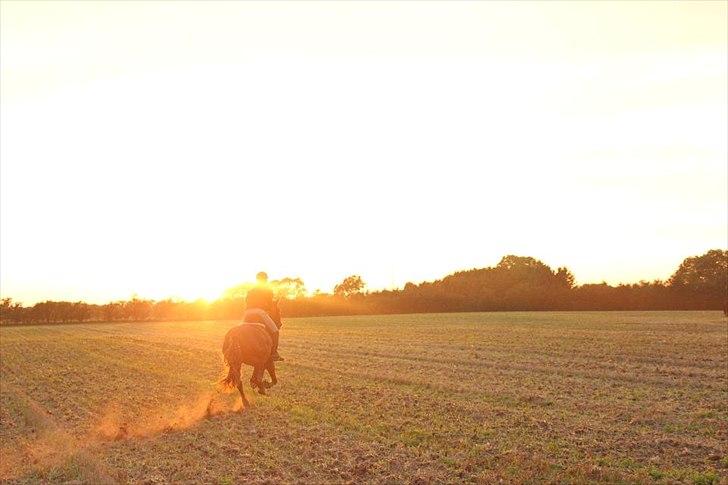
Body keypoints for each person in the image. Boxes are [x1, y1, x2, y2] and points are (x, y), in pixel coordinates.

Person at [243, 272, 284, 361]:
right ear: (265, 279)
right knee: (275, 331)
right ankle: (274, 353)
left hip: (247, 313)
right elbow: (270, 305)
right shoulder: (267, 290)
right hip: (259, 312)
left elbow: (246, 302)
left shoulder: (251, 291)